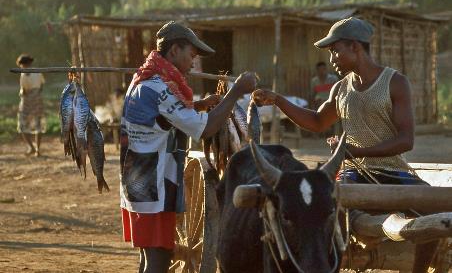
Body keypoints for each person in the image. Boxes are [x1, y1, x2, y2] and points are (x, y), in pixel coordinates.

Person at [252, 17, 437, 272]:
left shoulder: (395, 82)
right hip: (353, 175)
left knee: (435, 214)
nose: (332, 59)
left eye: (335, 51)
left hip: (395, 173)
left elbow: (406, 140)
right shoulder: (340, 89)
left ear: (355, 47)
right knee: (325, 210)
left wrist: (357, 151)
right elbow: (317, 121)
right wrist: (278, 100)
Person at [119, 21, 256, 273]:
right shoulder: (159, 88)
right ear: (173, 52)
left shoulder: (144, 80)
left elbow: (163, 118)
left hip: (139, 184)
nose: (193, 63)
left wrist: (200, 105)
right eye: (191, 55)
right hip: (154, 187)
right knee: (159, 260)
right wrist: (236, 92)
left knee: (148, 257)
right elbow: (204, 129)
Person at [16, 54, 46, 157]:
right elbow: (42, 84)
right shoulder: (38, 72)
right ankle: (37, 149)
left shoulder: (24, 74)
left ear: (24, 64)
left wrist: (22, 93)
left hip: (27, 101)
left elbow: (24, 90)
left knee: (22, 124)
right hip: (38, 99)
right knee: (38, 124)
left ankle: (32, 148)